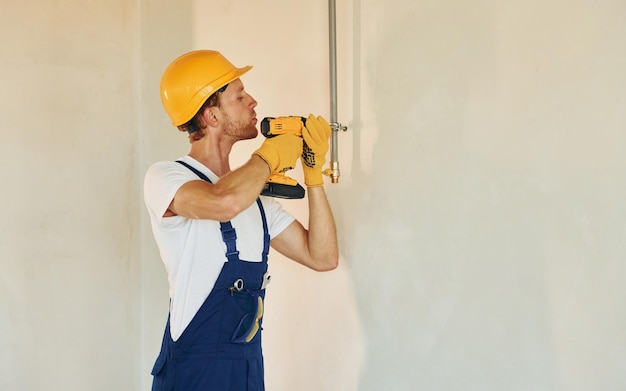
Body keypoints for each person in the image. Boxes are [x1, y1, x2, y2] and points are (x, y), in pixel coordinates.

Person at [144, 50, 339, 390]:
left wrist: (314, 177)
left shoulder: (256, 200)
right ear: (212, 115)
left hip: (247, 371)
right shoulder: (166, 177)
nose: (253, 102)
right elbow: (223, 201)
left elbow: (322, 256)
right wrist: (268, 156)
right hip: (195, 373)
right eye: (240, 95)